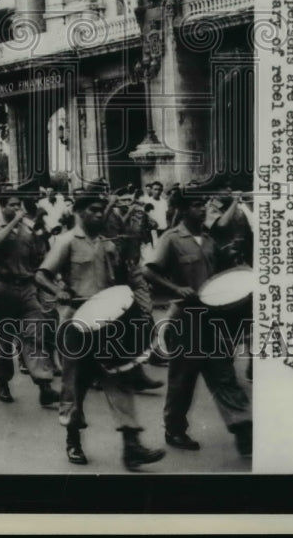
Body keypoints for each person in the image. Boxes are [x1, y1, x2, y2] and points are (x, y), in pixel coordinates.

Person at [35, 186, 165, 472]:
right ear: (79, 212)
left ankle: (132, 447)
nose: (98, 214)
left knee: (119, 378)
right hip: (77, 325)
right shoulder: (66, 241)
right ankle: (73, 440)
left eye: (100, 210)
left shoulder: (108, 245)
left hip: (108, 324)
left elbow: (121, 281)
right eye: (93, 210)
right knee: (75, 386)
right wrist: (59, 292)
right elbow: (42, 275)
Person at [143, 195, 252, 456]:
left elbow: (221, 274)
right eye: (196, 205)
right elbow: (149, 271)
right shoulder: (171, 238)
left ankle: (243, 429)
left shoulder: (210, 238)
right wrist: (176, 288)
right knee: (182, 379)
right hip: (185, 320)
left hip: (213, 320)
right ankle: (174, 429)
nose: (202, 209)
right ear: (182, 210)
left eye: (204, 204)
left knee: (224, 374)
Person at [0, 193, 60, 408]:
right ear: (3, 208)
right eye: (12, 205)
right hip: (3, 289)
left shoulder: (28, 231)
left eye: (19, 205)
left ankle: (44, 385)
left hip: (27, 288)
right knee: (3, 341)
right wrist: (17, 220)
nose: (18, 208)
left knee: (35, 334)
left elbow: (39, 257)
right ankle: (3, 383)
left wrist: (41, 232)